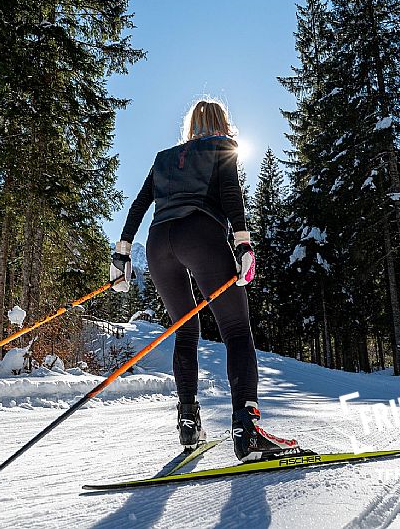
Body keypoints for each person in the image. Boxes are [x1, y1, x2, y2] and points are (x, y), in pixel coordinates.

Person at [109, 98, 299, 462]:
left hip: (159, 242)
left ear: (190, 125)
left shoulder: (164, 157)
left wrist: (121, 254)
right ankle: (247, 428)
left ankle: (189, 421)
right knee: (236, 330)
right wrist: (243, 244)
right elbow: (231, 195)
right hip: (200, 234)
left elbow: (138, 204)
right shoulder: (222, 147)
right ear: (223, 122)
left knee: (186, 327)